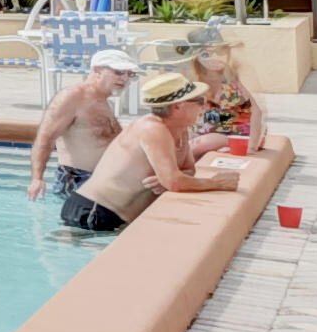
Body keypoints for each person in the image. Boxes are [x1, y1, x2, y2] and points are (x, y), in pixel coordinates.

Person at [60, 72, 238, 234]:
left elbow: (188, 171)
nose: (205, 106)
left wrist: (171, 178)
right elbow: (175, 182)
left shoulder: (179, 128)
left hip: (111, 216)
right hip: (93, 213)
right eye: (199, 101)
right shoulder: (152, 129)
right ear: (178, 107)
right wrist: (216, 183)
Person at [29, 48, 140, 202]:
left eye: (130, 74)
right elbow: (46, 137)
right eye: (119, 72)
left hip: (102, 181)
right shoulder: (73, 96)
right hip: (78, 180)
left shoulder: (103, 102)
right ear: (97, 70)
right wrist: (37, 178)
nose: (125, 79)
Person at [183, 41, 266, 161]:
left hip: (233, 136)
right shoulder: (192, 84)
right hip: (203, 134)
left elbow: (256, 112)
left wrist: (251, 146)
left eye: (220, 52)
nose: (216, 57)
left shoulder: (232, 82)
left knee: (202, 143)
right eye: (208, 54)